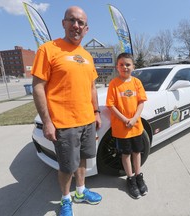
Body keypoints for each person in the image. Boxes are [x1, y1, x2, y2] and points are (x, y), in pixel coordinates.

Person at [31, 6, 102, 216]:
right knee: (66, 167)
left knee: (82, 159)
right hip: (63, 123)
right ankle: (65, 199)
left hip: (87, 120)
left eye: (81, 23)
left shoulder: (87, 55)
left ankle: (80, 191)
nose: (76, 25)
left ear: (86, 29)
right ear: (63, 23)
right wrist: (47, 121)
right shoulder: (48, 49)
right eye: (72, 20)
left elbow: (91, 87)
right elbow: (38, 87)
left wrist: (96, 112)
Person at [106, 52, 148, 199]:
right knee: (126, 154)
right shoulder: (113, 84)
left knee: (137, 152)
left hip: (136, 127)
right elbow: (111, 105)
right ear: (117, 67)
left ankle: (138, 176)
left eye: (128, 64)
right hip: (122, 128)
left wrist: (135, 118)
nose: (125, 67)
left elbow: (141, 102)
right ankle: (130, 179)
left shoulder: (137, 82)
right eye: (122, 64)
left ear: (133, 66)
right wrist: (125, 120)